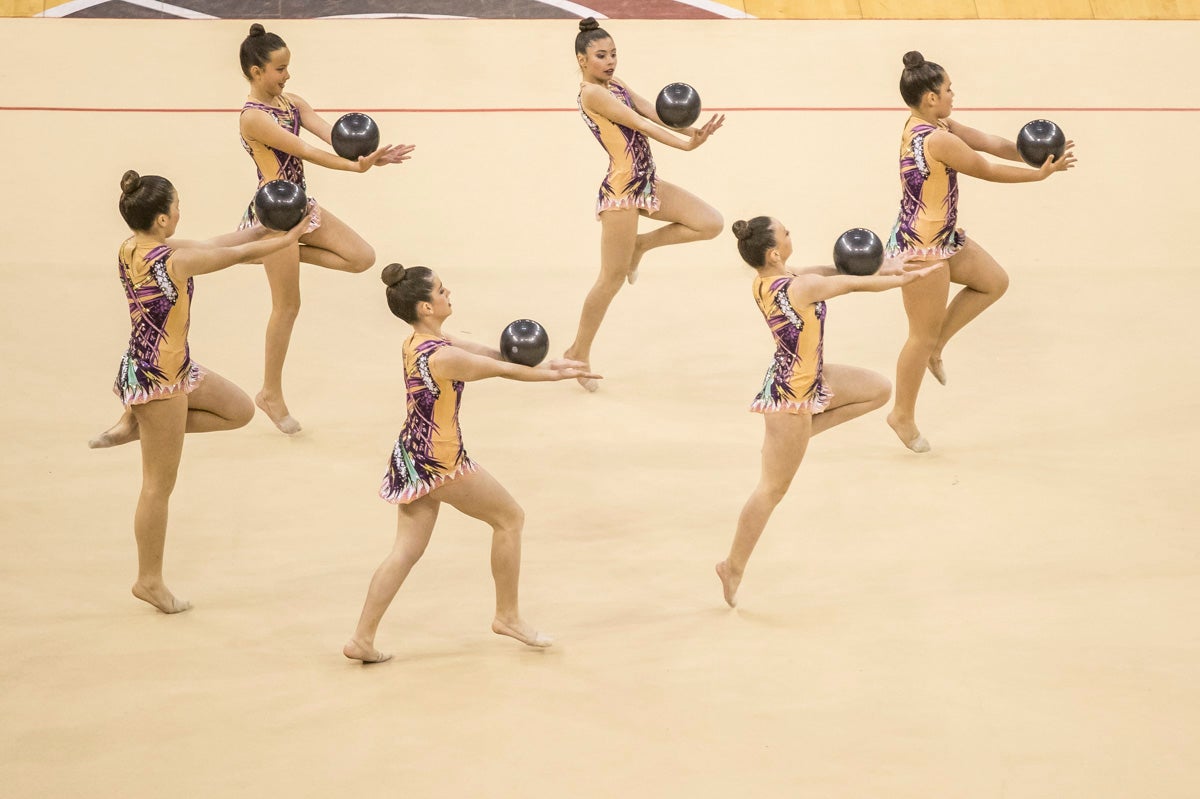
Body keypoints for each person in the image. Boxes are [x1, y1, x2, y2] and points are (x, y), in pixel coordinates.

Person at [343, 264, 600, 663]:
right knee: (509, 518)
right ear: (427, 307)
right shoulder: (444, 358)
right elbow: (500, 369)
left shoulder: (419, 342)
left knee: (405, 552)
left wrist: (549, 366)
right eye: (442, 291)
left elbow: (490, 354)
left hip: (411, 454)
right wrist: (555, 376)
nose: (450, 294)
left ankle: (361, 638)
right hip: (441, 461)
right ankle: (507, 616)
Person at [89, 170, 312, 614]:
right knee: (157, 486)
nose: (179, 212)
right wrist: (293, 235)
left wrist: (265, 226)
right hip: (160, 381)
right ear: (161, 220)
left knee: (238, 411)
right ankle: (148, 581)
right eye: (175, 207)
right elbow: (238, 255)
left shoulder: (133, 247)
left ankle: (141, 426)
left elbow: (219, 242)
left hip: (163, 363)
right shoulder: (175, 262)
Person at [715, 217, 944, 608]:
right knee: (772, 490)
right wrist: (902, 280)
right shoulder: (801, 288)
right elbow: (849, 283)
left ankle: (795, 439)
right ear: (773, 252)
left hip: (809, 377)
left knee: (877, 390)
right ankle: (732, 565)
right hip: (791, 398)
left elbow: (823, 271)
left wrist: (883, 265)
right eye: (786, 233)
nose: (791, 234)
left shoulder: (767, 280)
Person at [884, 50, 1076, 452]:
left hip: (944, 235)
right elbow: (985, 168)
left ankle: (940, 345)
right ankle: (901, 414)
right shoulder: (937, 140)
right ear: (930, 97)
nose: (954, 93)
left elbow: (989, 143)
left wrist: (1035, 154)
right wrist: (1037, 177)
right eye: (948, 89)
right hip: (924, 250)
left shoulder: (932, 122)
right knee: (919, 335)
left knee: (993, 282)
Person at [238, 23, 415, 433]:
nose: (286, 75)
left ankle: (259, 254)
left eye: (288, 67)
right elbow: (307, 152)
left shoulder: (292, 102)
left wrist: (371, 154)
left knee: (361, 257)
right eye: (279, 69)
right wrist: (356, 169)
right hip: (276, 213)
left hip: (301, 207)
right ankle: (270, 393)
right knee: (288, 306)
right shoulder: (254, 118)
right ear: (254, 71)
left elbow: (332, 137)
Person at [563, 17, 725, 391]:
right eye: (601, 56)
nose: (610, 61)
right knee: (610, 279)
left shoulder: (614, 84)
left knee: (709, 223)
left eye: (614, 54)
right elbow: (640, 124)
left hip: (645, 181)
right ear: (582, 59)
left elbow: (653, 111)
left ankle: (641, 245)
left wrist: (691, 130)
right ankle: (577, 352)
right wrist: (686, 146)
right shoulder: (593, 93)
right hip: (622, 191)